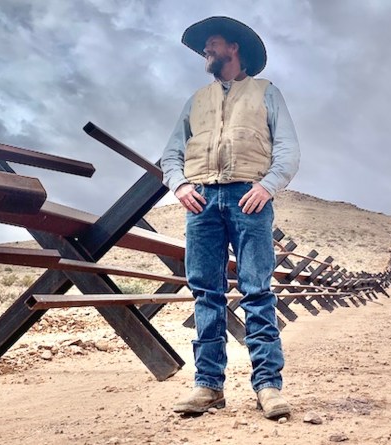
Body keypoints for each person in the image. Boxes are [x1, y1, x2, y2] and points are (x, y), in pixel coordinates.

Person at [161, 16, 300, 420]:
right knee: (206, 292)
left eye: (212, 43)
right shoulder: (196, 100)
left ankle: (268, 387)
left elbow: (288, 150)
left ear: (233, 48)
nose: (206, 49)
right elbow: (172, 153)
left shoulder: (266, 93)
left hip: (248, 199)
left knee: (257, 290)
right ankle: (208, 387)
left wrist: (267, 186)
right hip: (201, 201)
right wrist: (181, 186)